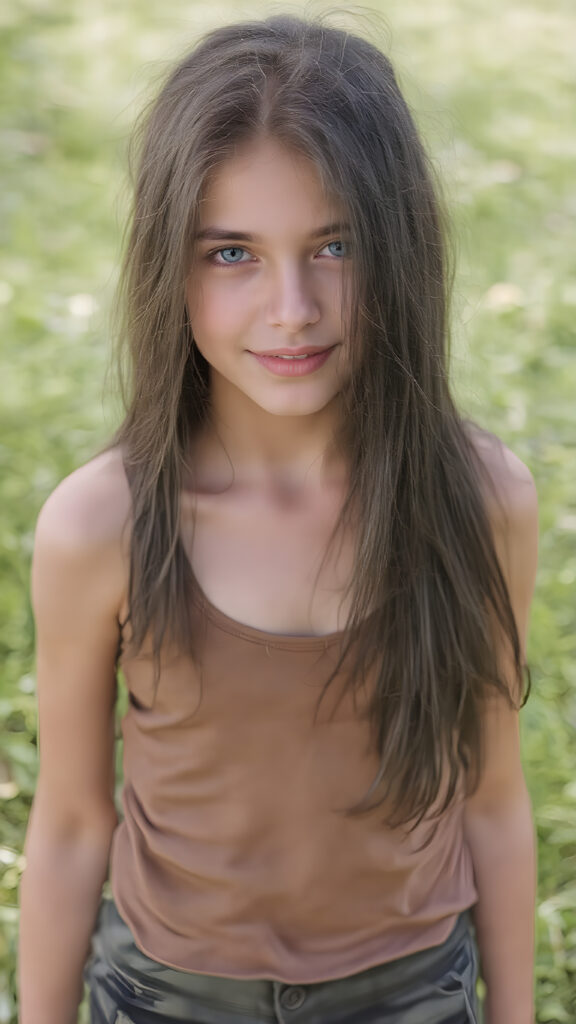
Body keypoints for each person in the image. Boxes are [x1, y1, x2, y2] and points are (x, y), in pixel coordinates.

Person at [18, 12, 538, 1024]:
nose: (292, 306)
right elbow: (75, 822)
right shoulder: (102, 524)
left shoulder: (478, 501)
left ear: (400, 249)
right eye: (232, 254)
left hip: (409, 991)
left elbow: (492, 799)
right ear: (169, 264)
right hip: (170, 994)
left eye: (333, 245)